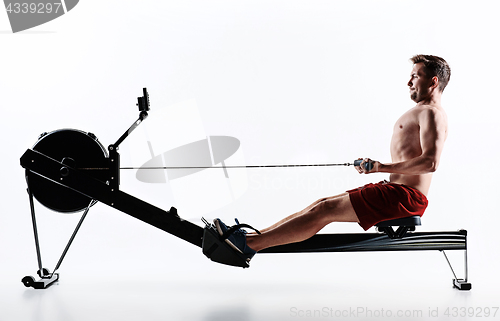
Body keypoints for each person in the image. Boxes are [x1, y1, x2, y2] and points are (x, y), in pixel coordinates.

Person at [214, 54, 451, 261]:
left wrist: (380, 166)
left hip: (405, 197)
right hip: (394, 191)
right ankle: (248, 238)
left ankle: (248, 245)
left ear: (433, 82)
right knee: (321, 205)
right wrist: (379, 168)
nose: (408, 82)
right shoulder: (423, 112)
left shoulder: (431, 114)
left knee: (325, 210)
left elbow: (430, 163)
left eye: (415, 76)